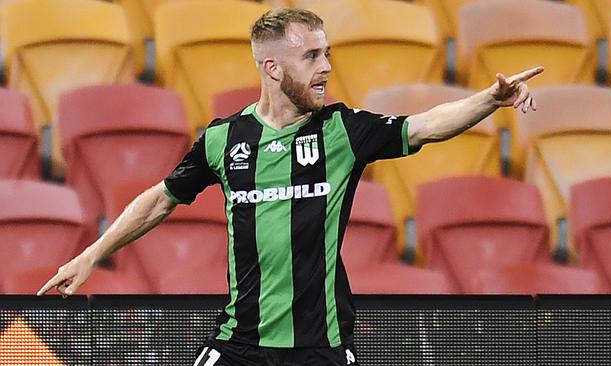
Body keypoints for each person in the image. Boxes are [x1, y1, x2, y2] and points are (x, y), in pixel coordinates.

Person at [38, 8, 543, 366]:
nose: (326, 67)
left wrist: (489, 99)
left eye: (328, 54)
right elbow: (160, 199)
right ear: (272, 67)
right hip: (241, 342)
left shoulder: (343, 130)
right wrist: (92, 254)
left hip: (320, 346)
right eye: (312, 56)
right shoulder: (223, 139)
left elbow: (428, 124)